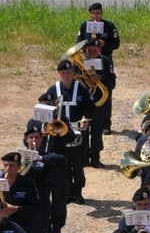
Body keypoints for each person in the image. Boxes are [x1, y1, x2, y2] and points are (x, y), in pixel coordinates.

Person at [38, 60, 95, 204]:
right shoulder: (52, 90)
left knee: (78, 164)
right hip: (58, 134)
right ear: (59, 74)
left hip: (77, 131)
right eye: (63, 73)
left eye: (69, 72)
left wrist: (85, 119)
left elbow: (91, 107)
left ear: (73, 73)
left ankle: (78, 193)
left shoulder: (81, 88)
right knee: (63, 165)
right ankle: (68, 194)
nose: (66, 75)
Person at [78, 35, 115, 168]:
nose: (91, 52)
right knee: (83, 132)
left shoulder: (105, 61)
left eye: (94, 50)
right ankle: (83, 159)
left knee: (97, 132)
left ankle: (95, 159)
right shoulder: (80, 62)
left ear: (99, 49)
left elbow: (112, 81)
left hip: (99, 101)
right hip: (84, 103)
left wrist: (100, 78)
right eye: (89, 50)